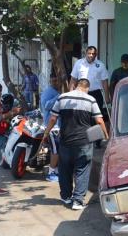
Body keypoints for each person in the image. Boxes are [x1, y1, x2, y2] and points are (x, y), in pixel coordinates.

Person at [43, 78, 108, 210]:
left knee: (65, 169)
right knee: (82, 170)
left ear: (77, 86)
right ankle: (78, 201)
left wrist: (46, 133)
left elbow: (53, 118)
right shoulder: (90, 100)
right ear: (87, 88)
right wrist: (107, 136)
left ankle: (66, 196)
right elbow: (100, 121)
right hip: (84, 142)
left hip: (65, 141)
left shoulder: (62, 97)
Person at [70, 46, 110, 145]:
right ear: (86, 53)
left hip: (96, 93)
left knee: (96, 116)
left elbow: (105, 81)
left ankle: (97, 141)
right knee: (83, 115)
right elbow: (73, 79)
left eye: (93, 54)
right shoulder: (79, 64)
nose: (91, 55)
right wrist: (71, 92)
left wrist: (107, 95)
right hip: (82, 93)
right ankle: (84, 138)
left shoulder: (100, 65)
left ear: (96, 55)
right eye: (89, 53)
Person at [40, 75, 61, 182]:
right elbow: (46, 106)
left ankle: (55, 170)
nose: (55, 82)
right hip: (53, 127)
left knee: (58, 149)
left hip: (58, 126)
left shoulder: (56, 91)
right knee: (55, 150)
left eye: (57, 80)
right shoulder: (49, 92)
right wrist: (59, 96)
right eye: (53, 80)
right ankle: (51, 172)